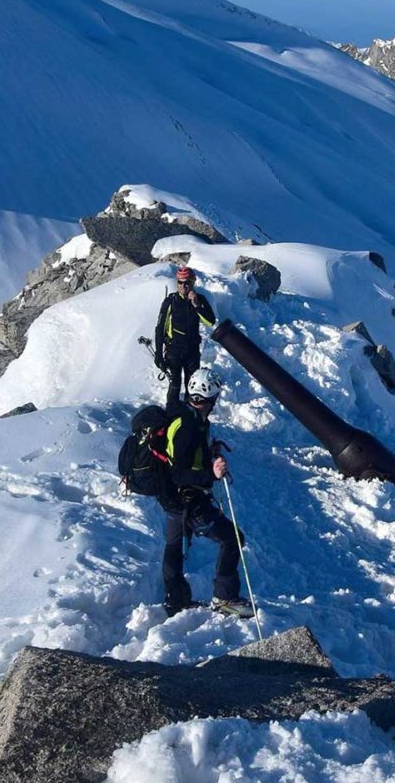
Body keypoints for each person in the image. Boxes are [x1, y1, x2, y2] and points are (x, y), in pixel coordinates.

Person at [148, 368, 253, 618]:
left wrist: (209, 453)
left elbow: (184, 460)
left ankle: (176, 600)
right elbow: (179, 473)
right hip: (186, 499)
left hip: (172, 498)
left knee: (174, 545)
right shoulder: (187, 425)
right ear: (212, 397)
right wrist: (211, 474)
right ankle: (225, 598)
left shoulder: (190, 418)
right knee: (232, 539)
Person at [153, 265, 217, 411]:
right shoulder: (170, 301)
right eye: (180, 282)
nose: (183, 286)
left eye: (187, 282)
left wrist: (196, 306)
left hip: (192, 351)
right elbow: (159, 329)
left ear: (193, 282)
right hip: (173, 350)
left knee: (192, 386)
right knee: (175, 384)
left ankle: (192, 417)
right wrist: (158, 354)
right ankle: (171, 414)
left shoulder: (200, 300)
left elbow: (210, 321)